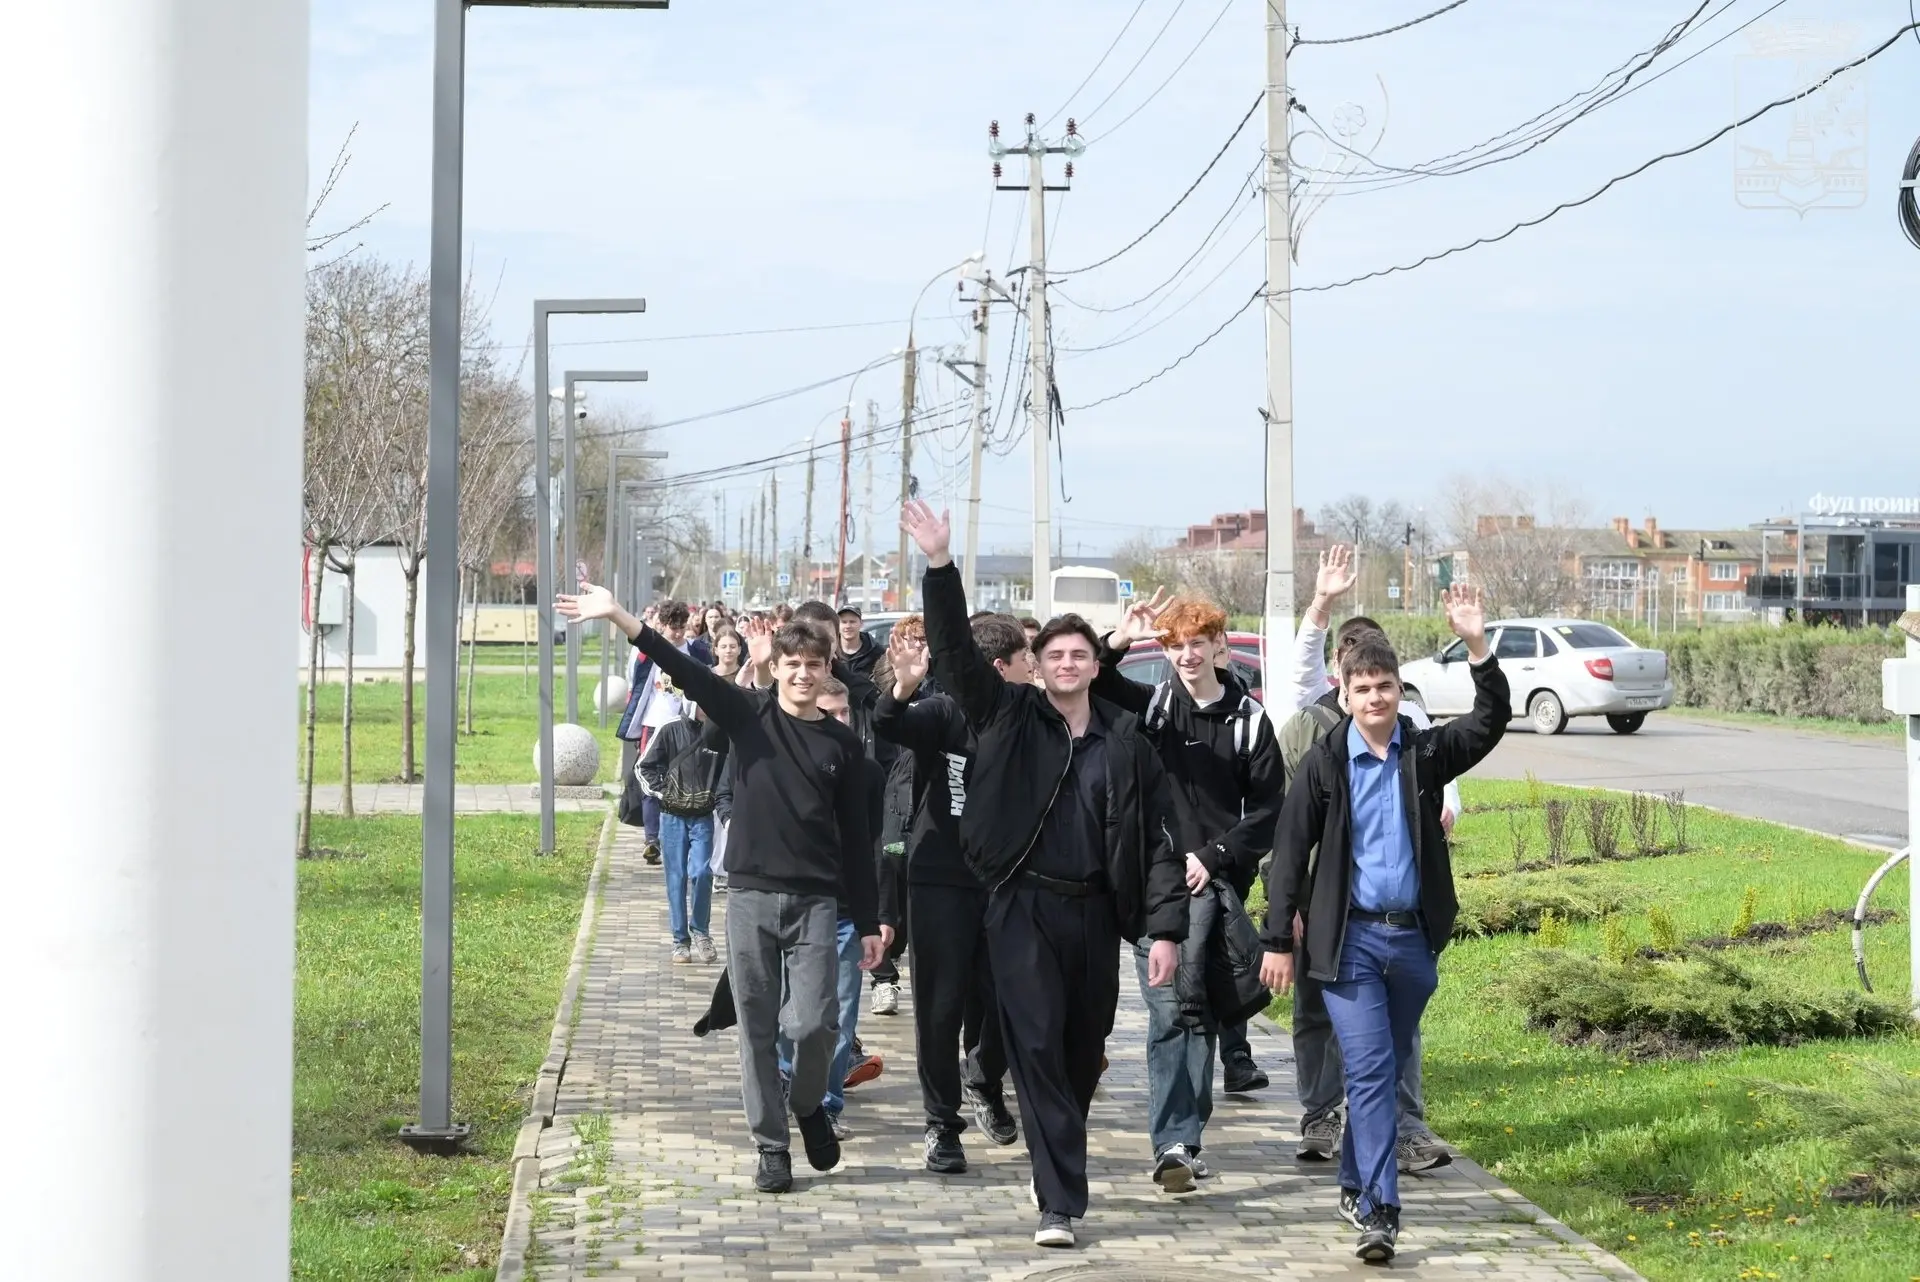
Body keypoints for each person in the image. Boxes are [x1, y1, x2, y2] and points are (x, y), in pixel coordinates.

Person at [903, 500, 1186, 1250]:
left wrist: (1164, 929)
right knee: (1032, 1043)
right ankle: (1057, 1201)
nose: (1065, 665)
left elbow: (1160, 842)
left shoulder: (1126, 743)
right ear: (1035, 664)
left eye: (1078, 655)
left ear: (1096, 665)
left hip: (1093, 914)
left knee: (1082, 1050)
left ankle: (1054, 1149)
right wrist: (940, 565)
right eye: (1053, 655)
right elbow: (953, 652)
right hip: (1019, 907)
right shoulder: (1006, 716)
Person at [557, 587, 883, 1195]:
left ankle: (807, 1103)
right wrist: (621, 616)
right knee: (757, 1027)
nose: (803, 674)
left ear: (826, 669)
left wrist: (867, 921)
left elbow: (858, 842)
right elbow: (684, 669)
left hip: (817, 902)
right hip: (751, 899)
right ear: (776, 668)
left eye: (814, 665)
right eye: (792, 664)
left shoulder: (842, 745)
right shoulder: (748, 715)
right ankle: (771, 1145)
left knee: (816, 1023)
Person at [1260, 583, 1509, 1263]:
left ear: (1401, 691)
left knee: (1384, 1064)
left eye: (1385, 686)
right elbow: (1289, 852)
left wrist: (1477, 645)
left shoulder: (1423, 754)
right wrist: (1278, 939)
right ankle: (1379, 1210)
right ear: (1343, 695)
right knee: (1370, 1073)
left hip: (1413, 944)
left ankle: (1353, 1183)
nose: (1374, 698)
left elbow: (1489, 721)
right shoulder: (1324, 763)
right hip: (1350, 943)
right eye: (1362, 688)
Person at [1092, 590, 1284, 1192]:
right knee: (1170, 1010)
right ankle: (1174, 1141)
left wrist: (1214, 856)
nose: (1186, 656)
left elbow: (1270, 811)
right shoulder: (1152, 707)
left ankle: (1183, 1138)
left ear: (1219, 646)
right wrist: (1119, 639)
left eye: (1196, 644)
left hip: (1214, 888)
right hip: (1154, 884)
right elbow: (1095, 679)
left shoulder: (1250, 720)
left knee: (1193, 1009)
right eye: (1175, 646)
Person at [1282, 546, 1459, 1174]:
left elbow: (1447, 781)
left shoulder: (1410, 723)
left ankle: (1402, 1129)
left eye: (1382, 675)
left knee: (1395, 1029)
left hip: (1395, 913)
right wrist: (1321, 602)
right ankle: (1321, 1115)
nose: (1372, 689)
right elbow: (1287, 835)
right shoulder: (1312, 726)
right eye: (1356, 672)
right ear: (1339, 675)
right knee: (1315, 1012)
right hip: (1323, 902)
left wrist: (1444, 809)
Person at [871, 621, 1026, 1175]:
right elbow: (888, 723)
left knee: (1013, 999)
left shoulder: (1027, 717)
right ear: (1000, 667)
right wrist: (903, 687)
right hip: (940, 880)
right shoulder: (943, 711)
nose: (1034, 669)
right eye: (1027, 660)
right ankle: (941, 1123)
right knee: (939, 1009)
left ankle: (982, 1076)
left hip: (1007, 883)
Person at [776, 678, 889, 1139]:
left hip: (846, 912)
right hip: (792, 907)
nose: (841, 721)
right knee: (791, 1010)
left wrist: (878, 916)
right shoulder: (786, 767)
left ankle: (826, 1104)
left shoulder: (869, 773)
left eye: (846, 712)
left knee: (839, 1013)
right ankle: (788, 1079)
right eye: (830, 712)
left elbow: (874, 847)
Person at [637, 699, 724, 964]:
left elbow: (727, 773)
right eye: (702, 702)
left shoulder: (719, 732)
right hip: (672, 817)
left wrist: (717, 798)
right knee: (676, 879)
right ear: (690, 702)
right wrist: (665, 792)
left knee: (702, 872)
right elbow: (643, 766)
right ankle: (680, 942)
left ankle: (701, 932)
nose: (708, 707)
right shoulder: (669, 728)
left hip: (703, 817)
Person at [837, 605, 882, 678]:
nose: (848, 626)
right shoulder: (829, 652)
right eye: (844, 622)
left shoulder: (876, 652)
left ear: (861, 623)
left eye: (852, 622)